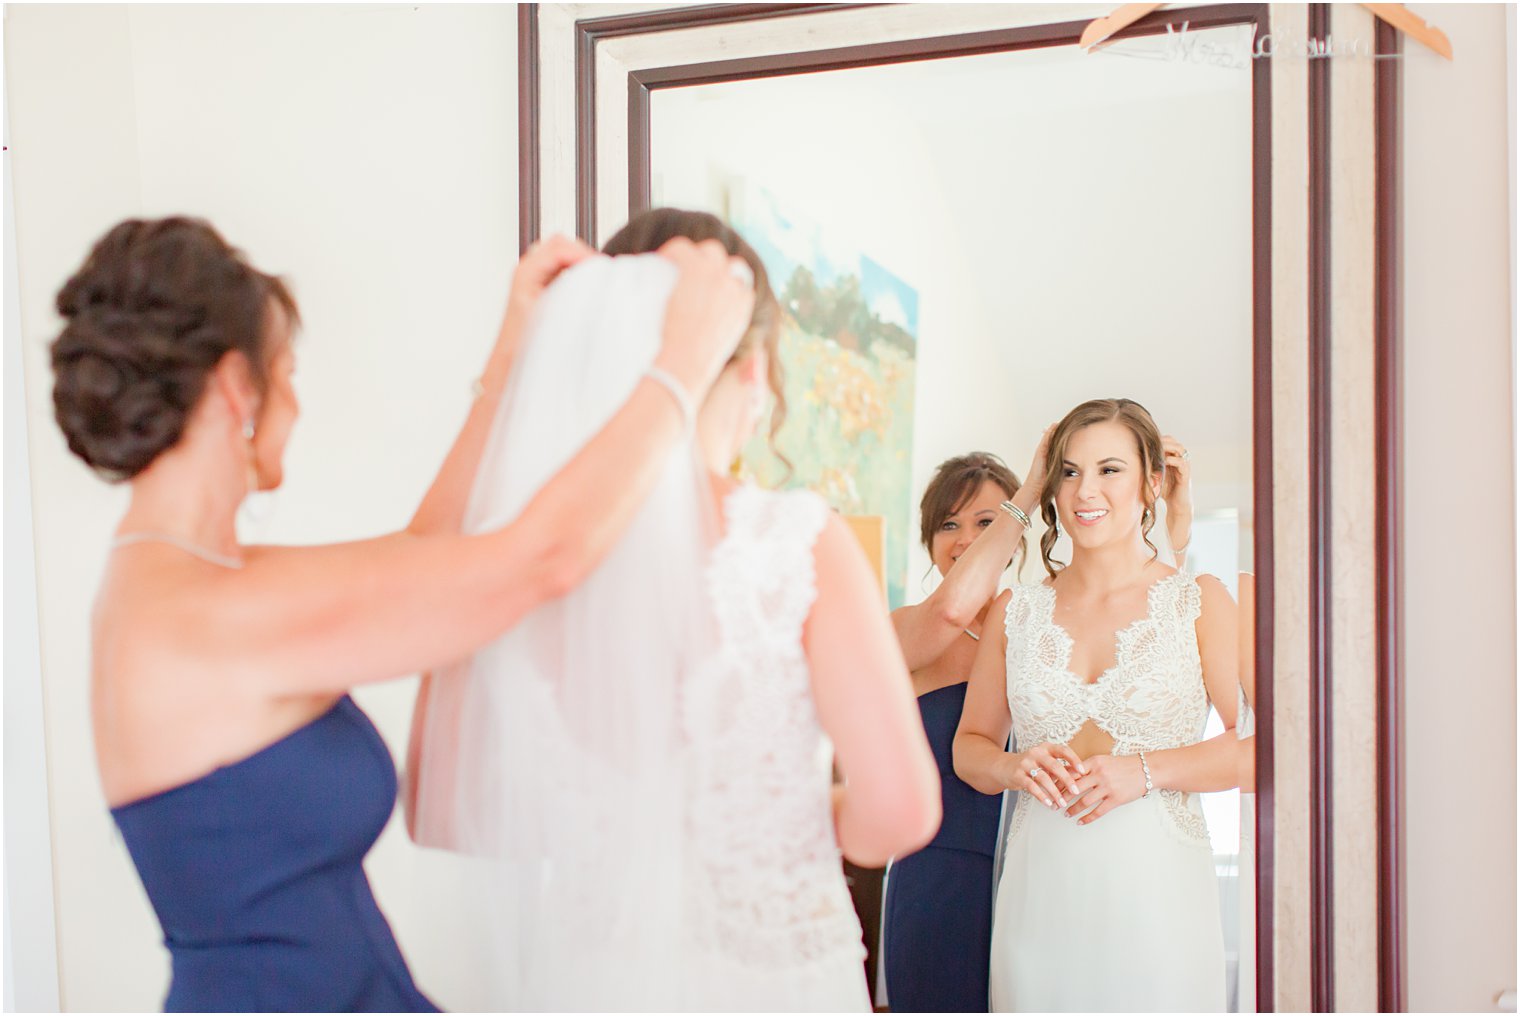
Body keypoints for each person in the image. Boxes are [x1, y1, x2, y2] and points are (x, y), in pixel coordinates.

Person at [52, 216, 750, 1011]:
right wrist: (682, 369)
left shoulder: (186, 582)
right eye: (286, 373)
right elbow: (541, 561)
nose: (297, 402)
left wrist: (510, 350)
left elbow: (425, 550)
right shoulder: (206, 613)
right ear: (235, 386)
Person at [406, 208, 941, 1011]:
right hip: (771, 982)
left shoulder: (509, 557)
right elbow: (898, 813)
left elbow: (442, 811)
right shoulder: (796, 542)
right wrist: (787, 818)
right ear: (756, 373)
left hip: (594, 980)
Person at [953, 398, 1239, 1013]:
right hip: (1039, 903)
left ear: (1151, 483)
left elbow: (1266, 750)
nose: (1086, 490)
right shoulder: (1016, 611)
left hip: (1158, 908)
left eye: (1110, 469)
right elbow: (970, 749)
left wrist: (1144, 771)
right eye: (1070, 470)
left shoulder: (1199, 602)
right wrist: (1011, 767)